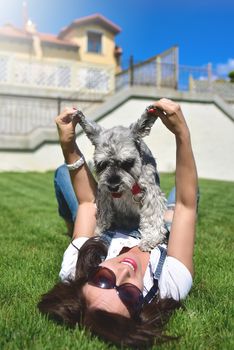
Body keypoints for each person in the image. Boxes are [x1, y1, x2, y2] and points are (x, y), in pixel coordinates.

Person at [38, 99, 198, 348]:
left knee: (62, 172)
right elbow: (188, 206)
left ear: (86, 280)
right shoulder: (169, 285)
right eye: (129, 294)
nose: (124, 271)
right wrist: (181, 133)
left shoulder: (77, 267)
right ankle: (165, 212)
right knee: (187, 196)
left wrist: (68, 142)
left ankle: (76, 230)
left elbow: (87, 203)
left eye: (103, 279)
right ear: (141, 308)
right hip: (154, 231)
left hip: (107, 224)